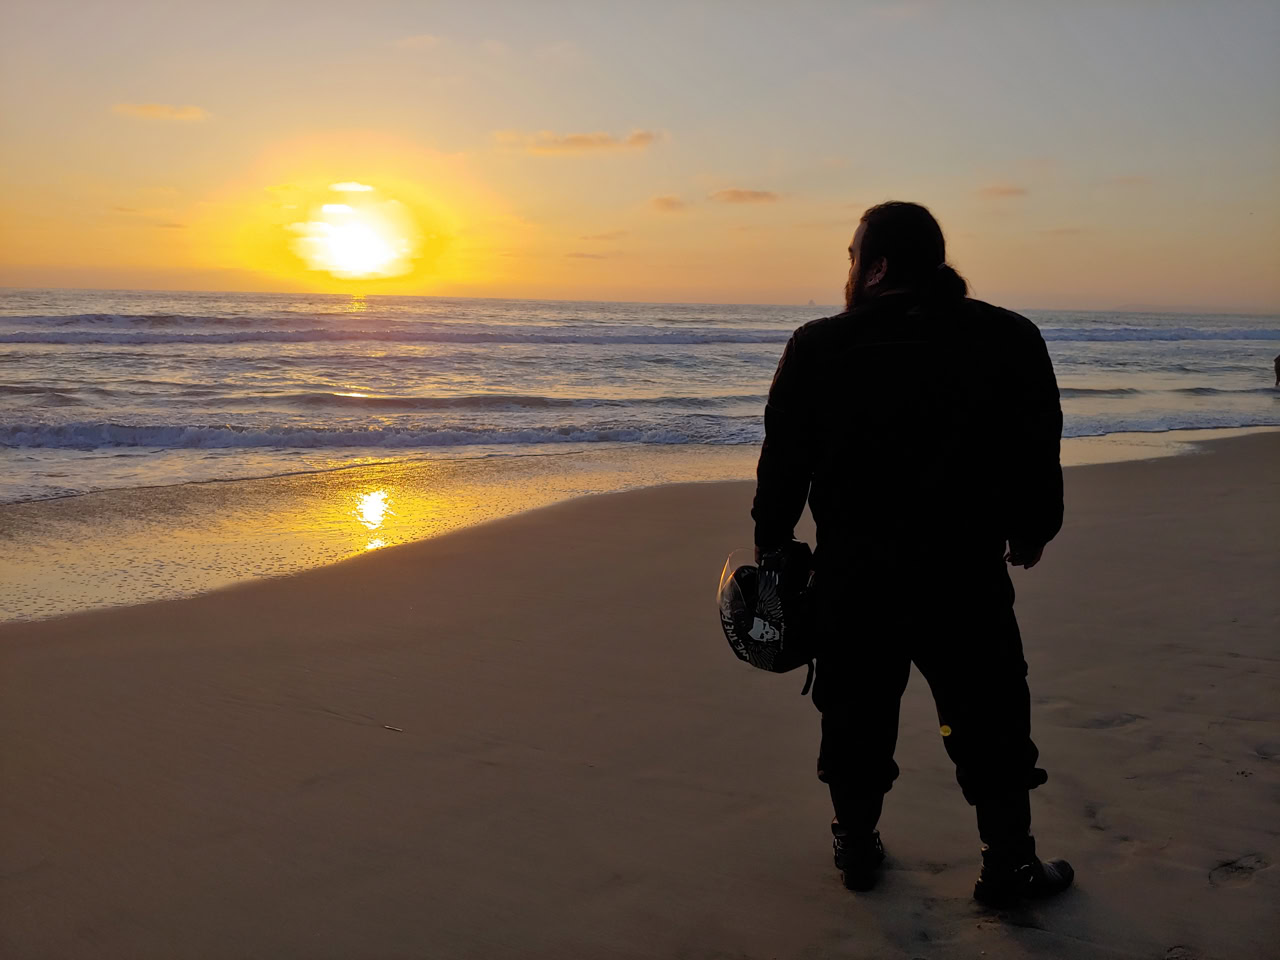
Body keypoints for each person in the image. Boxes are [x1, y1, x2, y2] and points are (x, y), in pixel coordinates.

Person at [751, 201, 1073, 906]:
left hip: (855, 574)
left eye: (853, 256)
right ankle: (1009, 864)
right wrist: (1034, 528)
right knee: (988, 716)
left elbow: (783, 465)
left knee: (855, 715)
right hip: (963, 571)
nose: (849, 268)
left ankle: (855, 846)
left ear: (877, 267)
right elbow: (1035, 442)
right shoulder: (1008, 336)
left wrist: (773, 548)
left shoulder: (818, 346)